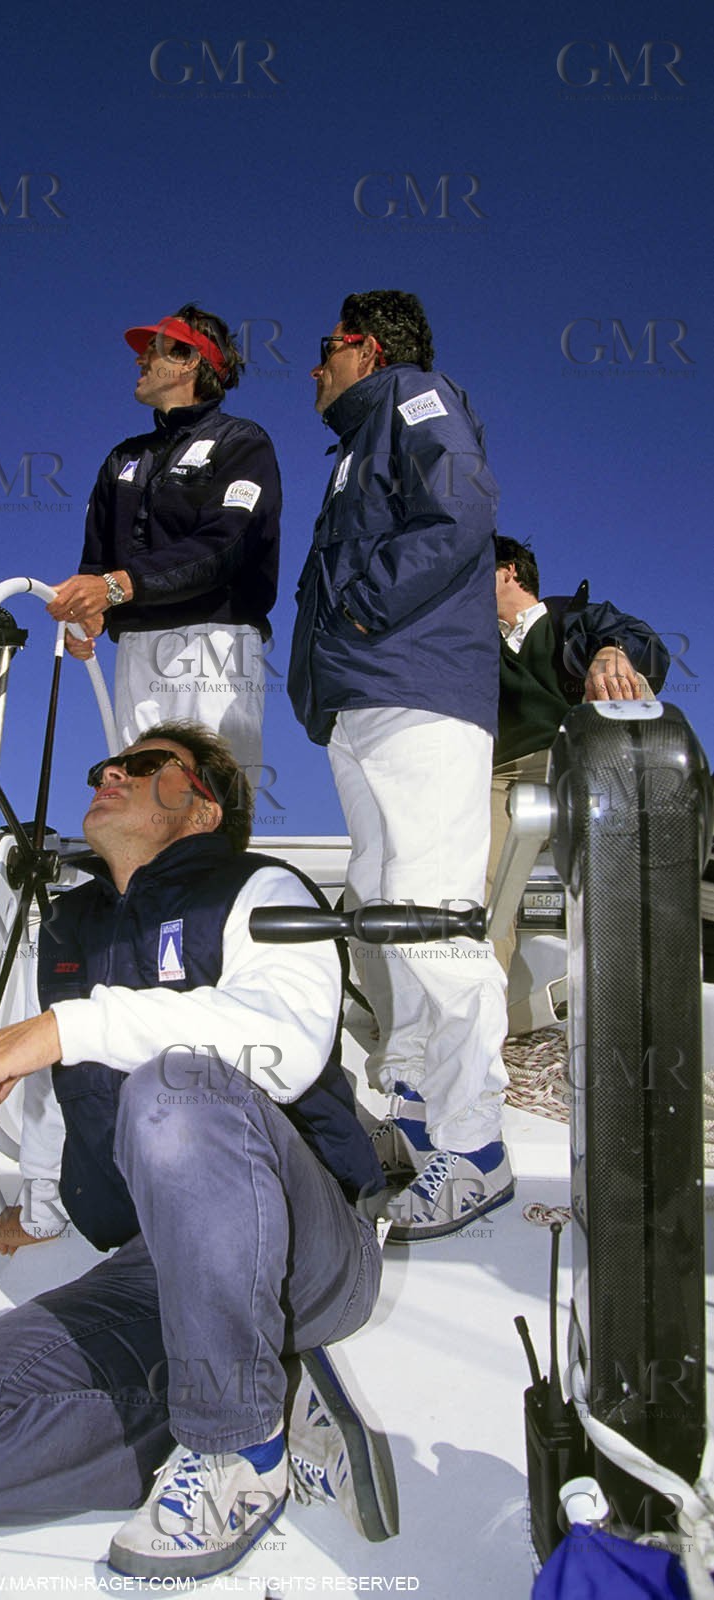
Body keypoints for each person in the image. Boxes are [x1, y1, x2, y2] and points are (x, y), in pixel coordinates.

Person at [0, 722, 393, 1582]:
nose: (111, 772)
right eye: (105, 763)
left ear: (201, 807)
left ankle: (237, 1452)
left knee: (175, 1089)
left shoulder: (259, 885)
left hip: (308, 1250)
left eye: (145, 766)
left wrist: (61, 1026)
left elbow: (286, 1046)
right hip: (155, 1263)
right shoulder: (74, 919)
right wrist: (38, 1202)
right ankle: (253, 1395)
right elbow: (60, 1095)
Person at [288, 289, 511, 1244]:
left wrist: (363, 613)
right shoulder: (354, 443)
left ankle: (476, 1151)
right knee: (383, 911)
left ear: (365, 348)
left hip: (415, 690)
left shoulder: (415, 398)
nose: (312, 367)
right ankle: (417, 1116)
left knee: (430, 914)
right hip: (362, 702)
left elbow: (457, 516)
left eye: (325, 349)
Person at [46, 305, 281, 773]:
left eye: (153, 350)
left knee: (210, 792)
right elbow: (97, 561)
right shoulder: (123, 458)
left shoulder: (241, 442)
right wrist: (87, 613)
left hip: (214, 642)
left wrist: (116, 588)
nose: (140, 361)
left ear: (189, 359)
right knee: (139, 788)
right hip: (136, 647)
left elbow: (226, 545)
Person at [488, 535, 670, 972]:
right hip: (494, 777)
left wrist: (613, 649)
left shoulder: (573, 617)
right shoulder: (469, 642)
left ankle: (659, 849)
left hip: (575, 756)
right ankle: (478, 1019)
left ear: (508, 571)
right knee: (475, 884)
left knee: (627, 687)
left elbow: (647, 643)